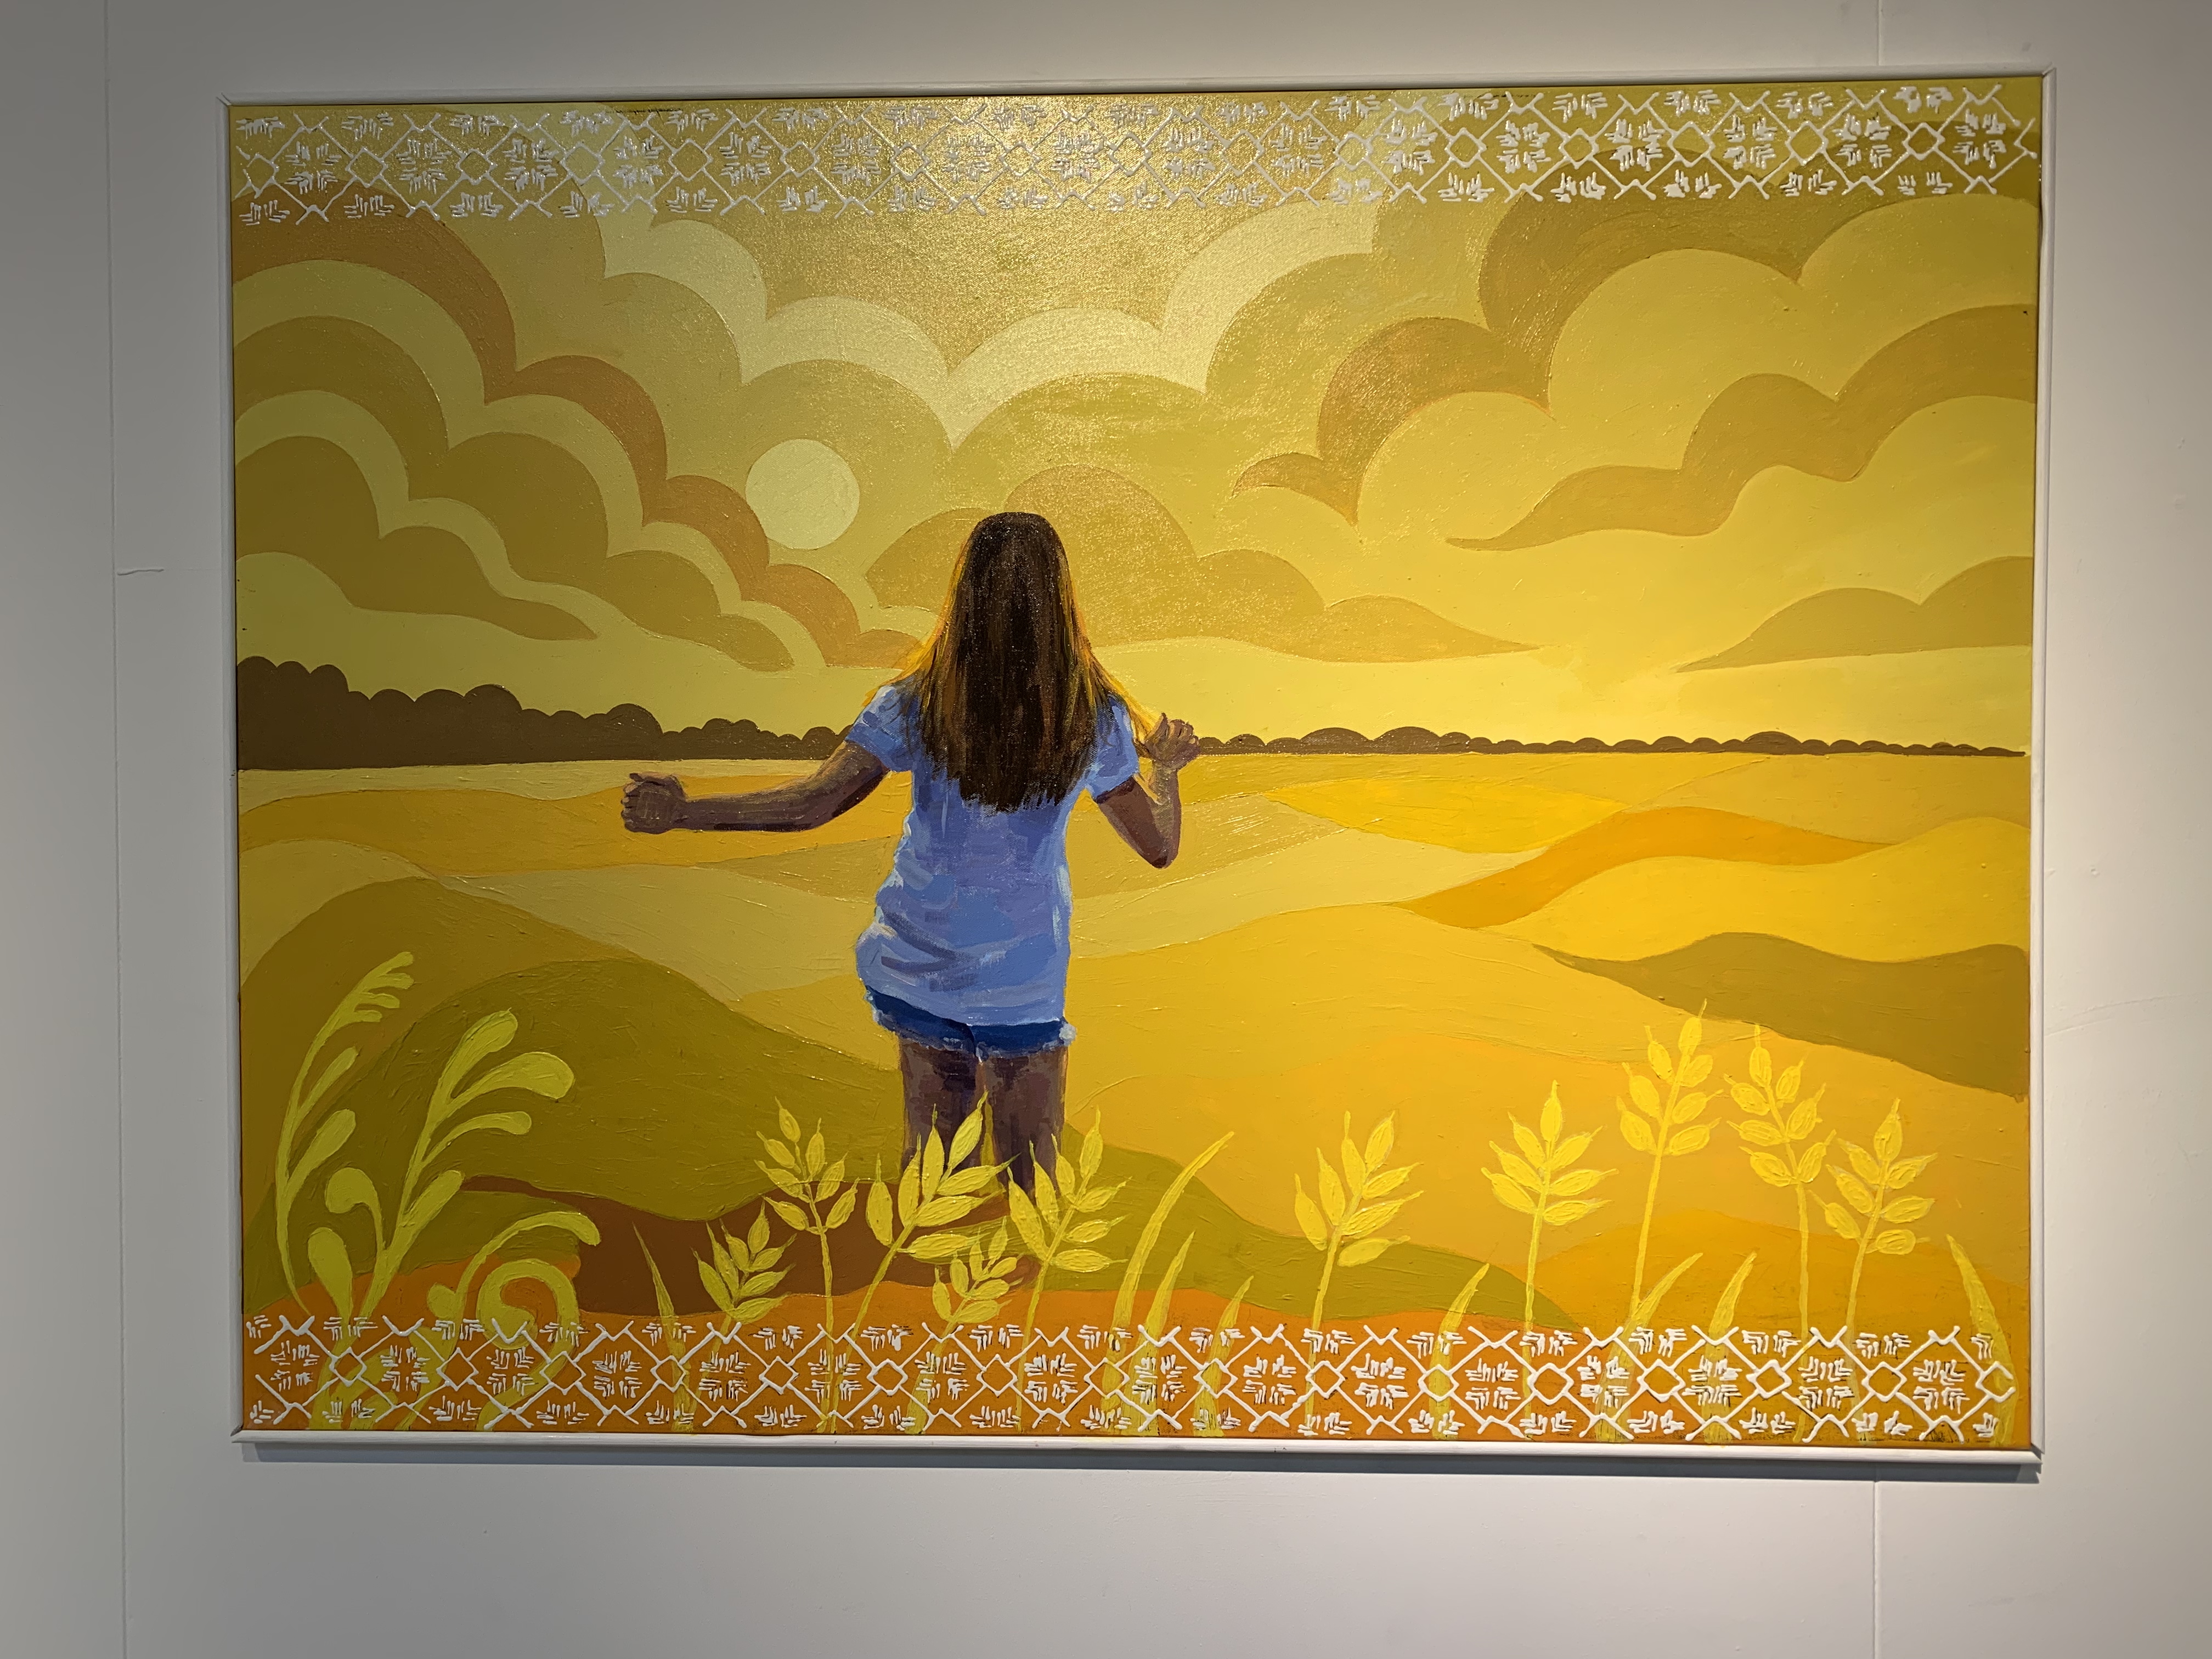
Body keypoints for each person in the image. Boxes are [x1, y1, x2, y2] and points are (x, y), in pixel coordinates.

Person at [620, 511, 1199, 1193]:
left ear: (965, 594)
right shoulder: (1090, 715)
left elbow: (814, 803)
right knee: (1031, 1189)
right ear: (1058, 601)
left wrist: (686, 813)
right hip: (1023, 976)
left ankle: (919, 1292)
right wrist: (1166, 771)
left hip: (922, 958)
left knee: (928, 1184)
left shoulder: (918, 702)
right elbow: (1158, 848)